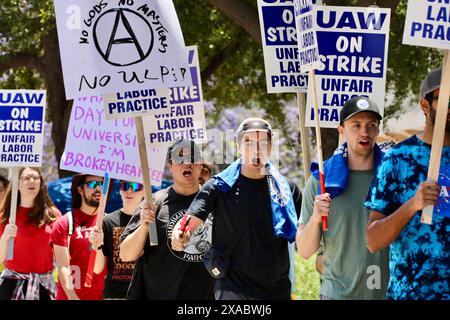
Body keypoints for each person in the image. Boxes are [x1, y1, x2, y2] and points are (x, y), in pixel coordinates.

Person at [171, 118, 302, 300]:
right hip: (233, 289)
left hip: (276, 291)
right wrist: (179, 235)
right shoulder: (218, 186)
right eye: (249, 143)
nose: (256, 150)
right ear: (239, 146)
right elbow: (188, 222)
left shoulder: (287, 190)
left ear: (271, 148)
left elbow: (305, 236)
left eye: (263, 143)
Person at [365, 68, 450, 300]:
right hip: (411, 294)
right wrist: (413, 204)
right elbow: (373, 240)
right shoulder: (398, 159)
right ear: (425, 105)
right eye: (446, 99)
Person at [296, 96, 389, 300]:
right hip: (336, 295)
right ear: (341, 130)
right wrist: (315, 218)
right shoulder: (321, 181)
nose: (364, 132)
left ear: (378, 130)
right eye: (356, 125)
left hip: (385, 295)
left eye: (371, 125)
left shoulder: (393, 177)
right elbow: (303, 251)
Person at [119, 139, 214, 300]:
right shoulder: (154, 202)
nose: (187, 163)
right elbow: (126, 255)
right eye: (179, 158)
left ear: (200, 165)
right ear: (170, 165)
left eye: (193, 158)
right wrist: (144, 226)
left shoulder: (215, 202)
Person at [0, 167, 61, 300]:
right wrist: (5, 238)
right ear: (17, 184)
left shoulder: (53, 215)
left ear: (41, 183)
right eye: (26, 178)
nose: (31, 181)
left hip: (44, 284)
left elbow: (61, 254)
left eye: (35, 178)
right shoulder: (6, 216)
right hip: (12, 284)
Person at [51, 174, 107, 300]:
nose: (98, 189)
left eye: (102, 185)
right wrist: (73, 297)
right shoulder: (64, 223)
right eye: (92, 184)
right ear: (80, 189)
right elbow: (63, 267)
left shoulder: (109, 222)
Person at [89, 180, 144, 299]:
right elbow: (97, 269)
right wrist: (96, 245)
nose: (129, 190)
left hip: (144, 293)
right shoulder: (107, 221)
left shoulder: (151, 221)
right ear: (120, 191)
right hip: (115, 294)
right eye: (125, 186)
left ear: (144, 191)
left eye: (136, 187)